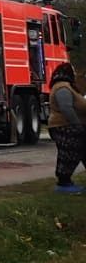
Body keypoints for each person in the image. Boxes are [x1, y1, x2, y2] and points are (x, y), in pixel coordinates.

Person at [48, 63, 84, 193]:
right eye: (73, 72)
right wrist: (77, 125)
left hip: (71, 126)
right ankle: (64, 183)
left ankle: (65, 182)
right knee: (69, 154)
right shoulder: (62, 88)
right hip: (64, 126)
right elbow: (66, 108)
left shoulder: (68, 87)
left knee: (79, 151)